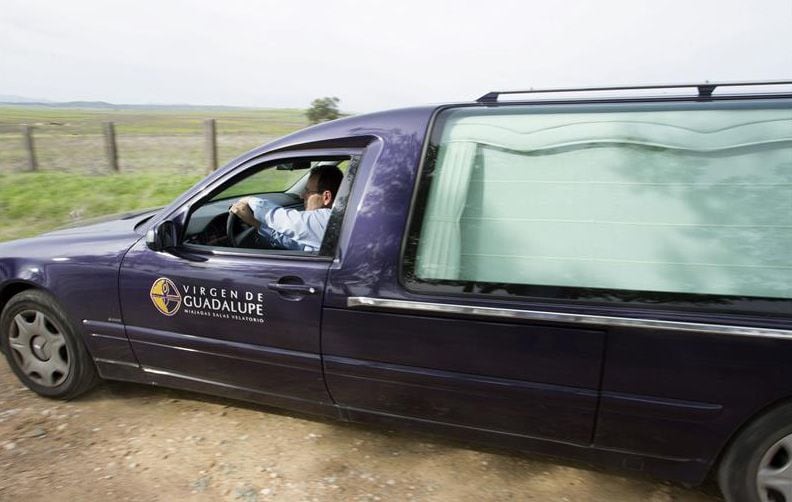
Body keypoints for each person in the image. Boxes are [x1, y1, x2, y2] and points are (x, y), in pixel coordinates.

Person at [229, 164, 343, 252]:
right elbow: (298, 245)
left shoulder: (328, 219)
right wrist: (256, 224)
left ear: (326, 197)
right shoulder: (323, 228)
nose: (302, 195)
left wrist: (249, 200)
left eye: (308, 191)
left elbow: (281, 218)